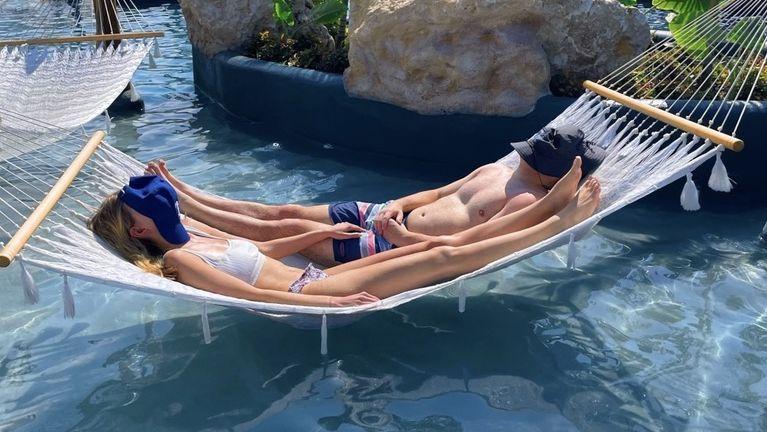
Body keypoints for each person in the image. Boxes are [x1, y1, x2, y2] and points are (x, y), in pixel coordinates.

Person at [88, 160, 601, 308]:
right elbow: (251, 295)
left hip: (312, 275)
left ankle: (549, 212)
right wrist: (329, 303)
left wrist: (326, 230)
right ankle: (556, 222)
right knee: (443, 258)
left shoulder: (190, 240)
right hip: (309, 291)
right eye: (143, 209)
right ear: (140, 229)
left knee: (438, 245)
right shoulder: (178, 261)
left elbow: (264, 248)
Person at [144, 124, 605, 267]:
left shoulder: (527, 202)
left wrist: (402, 237)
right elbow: (437, 192)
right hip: (383, 214)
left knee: (288, 229)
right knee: (284, 211)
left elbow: (469, 247)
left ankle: (187, 208)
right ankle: (190, 195)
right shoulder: (495, 169)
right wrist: (399, 206)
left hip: (393, 246)